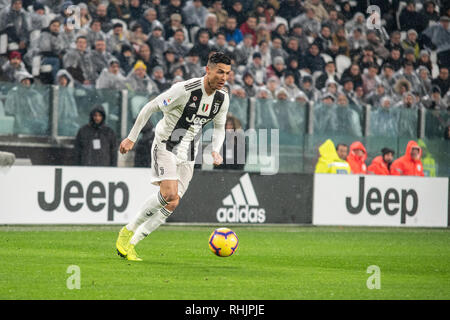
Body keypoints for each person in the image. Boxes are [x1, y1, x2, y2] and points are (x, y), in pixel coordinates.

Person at [115, 52, 231, 261]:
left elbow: (220, 127)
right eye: (220, 72)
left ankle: (132, 244)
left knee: (172, 203)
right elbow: (150, 107)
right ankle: (127, 231)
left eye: (227, 73)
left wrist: (216, 149)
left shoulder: (222, 98)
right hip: (165, 146)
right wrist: (131, 138)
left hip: (188, 153)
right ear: (208, 70)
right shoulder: (185, 90)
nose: (224, 77)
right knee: (169, 194)